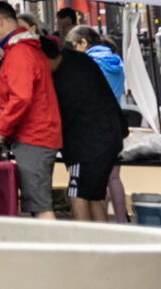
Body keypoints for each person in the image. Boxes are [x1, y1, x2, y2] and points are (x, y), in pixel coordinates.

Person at [0, 0, 62, 219]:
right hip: (38, 134)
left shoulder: (19, 53)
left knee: (40, 205)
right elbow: (26, 97)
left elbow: (21, 98)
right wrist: (0, 119)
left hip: (34, 137)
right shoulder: (26, 50)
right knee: (38, 202)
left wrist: (2, 127)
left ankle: (53, 253)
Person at [48, 31, 127, 222]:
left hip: (88, 145)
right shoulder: (81, 61)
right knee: (94, 197)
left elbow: (61, 115)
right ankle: (102, 246)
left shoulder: (66, 76)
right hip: (110, 137)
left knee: (78, 195)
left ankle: (83, 245)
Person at [71, 25, 128, 103]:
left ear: (84, 43)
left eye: (75, 46)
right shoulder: (115, 59)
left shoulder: (88, 64)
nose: (74, 51)